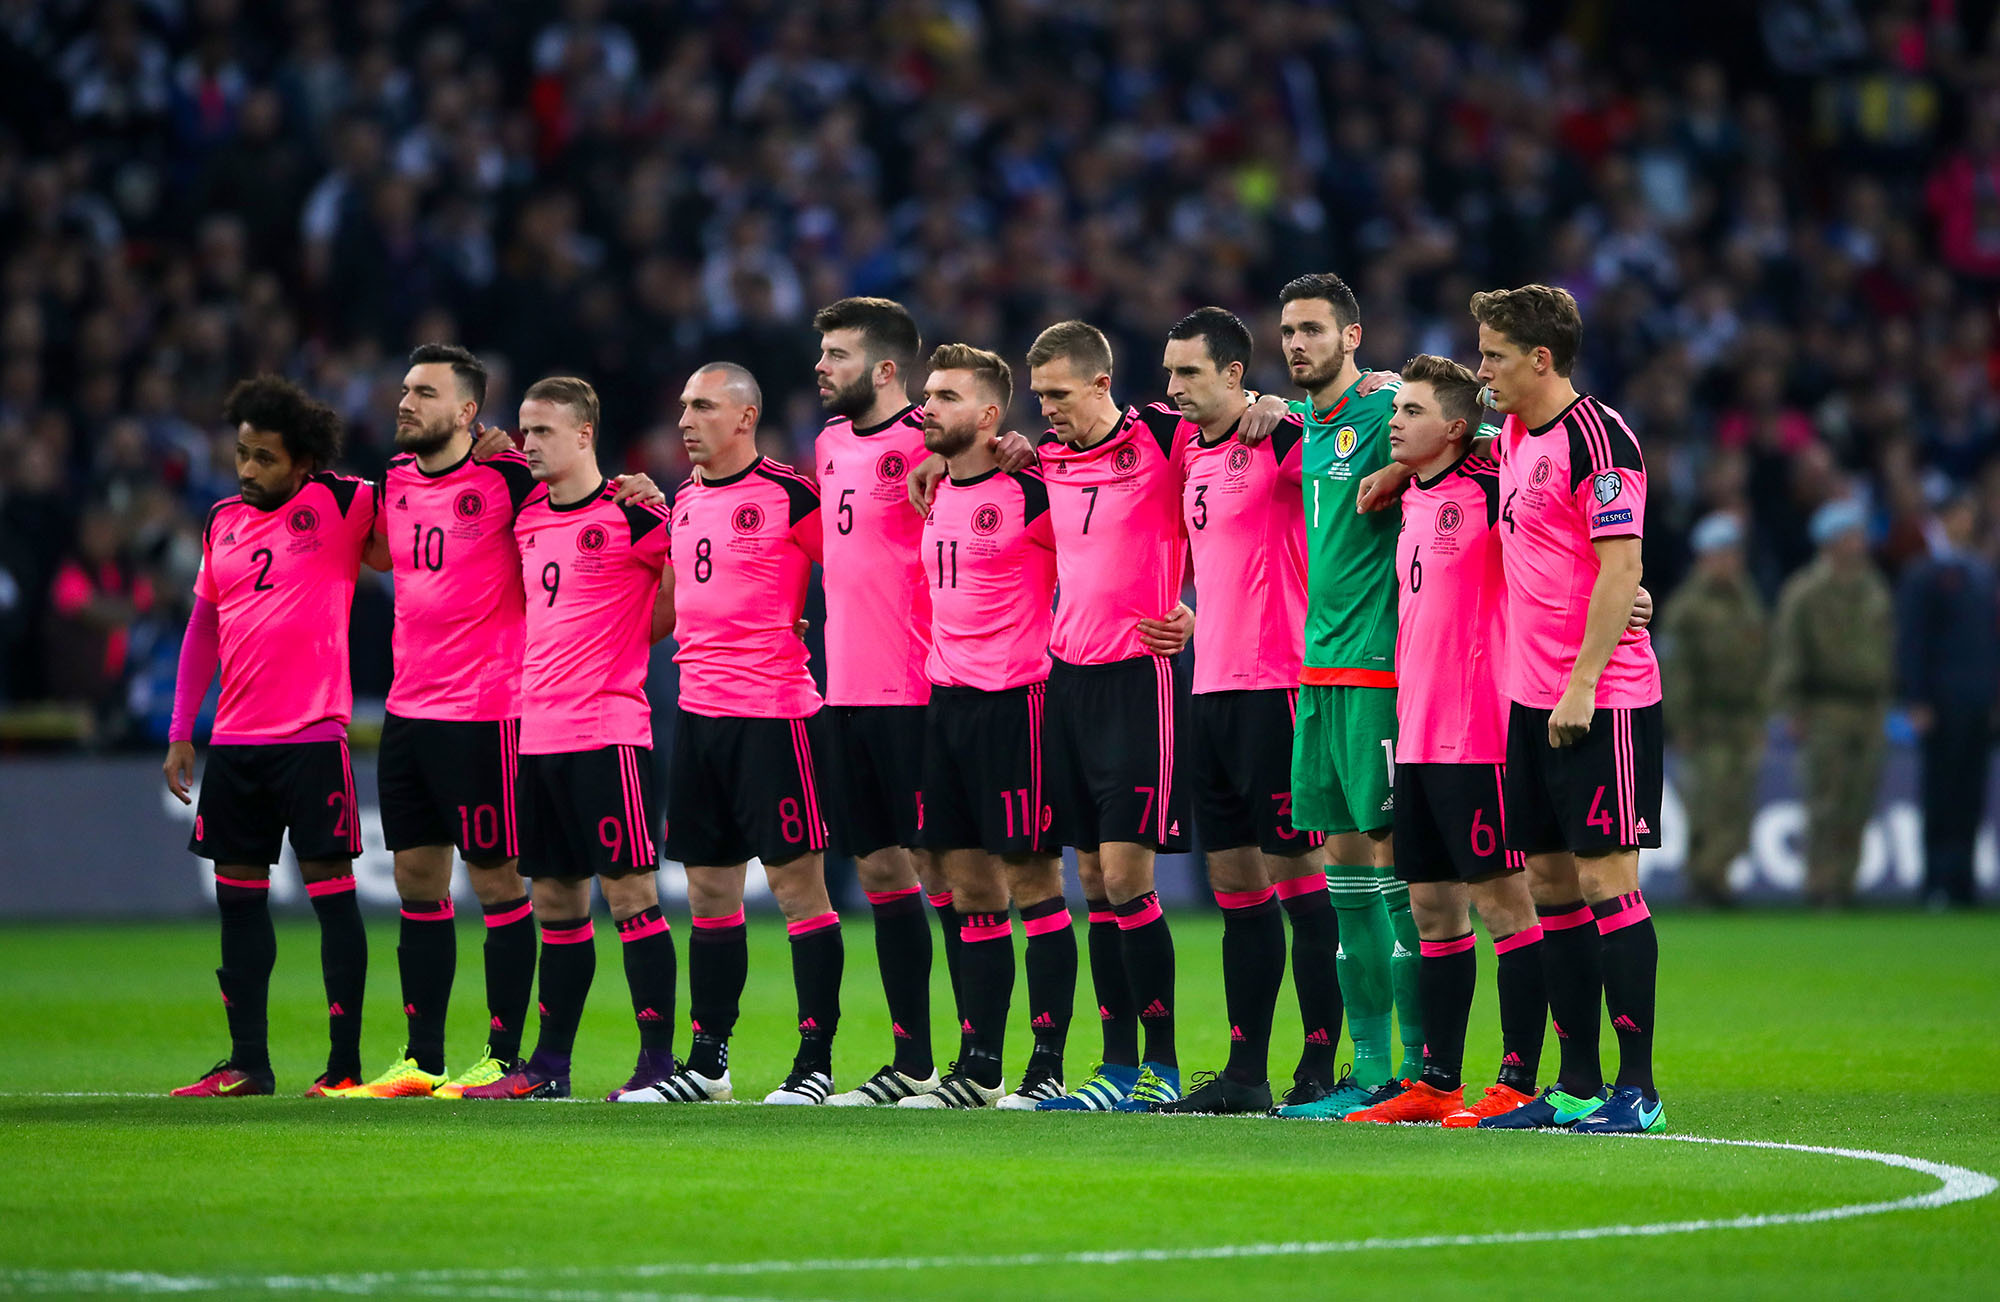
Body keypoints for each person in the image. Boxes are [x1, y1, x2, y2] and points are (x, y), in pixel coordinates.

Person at [341, 344, 665, 1100]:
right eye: (405, 388)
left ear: (465, 411)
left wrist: (643, 497)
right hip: (408, 711)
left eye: (425, 391)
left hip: (495, 712)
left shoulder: (513, 480)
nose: (405, 401)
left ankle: (504, 1052)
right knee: (420, 882)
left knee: (507, 886)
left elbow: (602, 511)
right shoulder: (392, 483)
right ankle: (421, 1059)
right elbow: (381, 556)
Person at [1469, 284, 1667, 1135]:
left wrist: (1582, 684)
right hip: (1525, 695)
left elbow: (1621, 567)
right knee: (1549, 883)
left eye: (1495, 357)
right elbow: (1428, 411)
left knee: (1604, 881)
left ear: (1539, 360)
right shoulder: (1511, 432)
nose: (1483, 372)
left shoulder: (1601, 438)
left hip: (1601, 697)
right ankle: (1579, 1080)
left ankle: (1639, 1090)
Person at [1140, 308, 1347, 1117]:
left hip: (1280, 687)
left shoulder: (1285, 439)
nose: (1172, 387)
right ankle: (1246, 1073)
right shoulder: (1191, 450)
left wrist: (1293, 412)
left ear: (1233, 374)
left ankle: (1322, 1068)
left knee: (1301, 880)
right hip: (1212, 687)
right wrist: (1193, 615)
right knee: (1235, 889)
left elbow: (1360, 465)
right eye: (1168, 372)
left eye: (1188, 373)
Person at [1341, 354, 1551, 1127]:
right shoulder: (1415, 496)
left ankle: (1521, 1078)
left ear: (1458, 428)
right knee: (1431, 906)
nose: (1394, 420)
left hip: (1482, 730)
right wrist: (1402, 474)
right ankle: (1436, 1080)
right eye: (1395, 410)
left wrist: (1630, 591)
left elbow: (1553, 509)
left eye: (1413, 410)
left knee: (1506, 903)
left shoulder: (1494, 485)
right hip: (1418, 731)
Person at [461, 377, 678, 1101]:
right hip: (537, 734)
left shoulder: (636, 516)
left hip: (608, 732)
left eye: (543, 432)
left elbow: (681, 601)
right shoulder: (525, 518)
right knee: (556, 900)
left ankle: (657, 1066)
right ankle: (548, 1069)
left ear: (585, 435)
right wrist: (493, 449)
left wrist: (625, 641)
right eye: (523, 430)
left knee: (631, 895)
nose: (529, 444)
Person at [164, 376, 381, 1098]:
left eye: (263, 459)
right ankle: (247, 1063)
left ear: (303, 463)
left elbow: (421, 507)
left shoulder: (344, 502)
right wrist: (181, 730)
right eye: (242, 455)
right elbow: (203, 629)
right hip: (236, 742)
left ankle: (344, 1067)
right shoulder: (221, 519)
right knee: (239, 898)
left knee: (331, 896)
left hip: (313, 736)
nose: (247, 471)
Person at [1249, 273, 1423, 1118]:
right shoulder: (1307, 425)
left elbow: (1490, 435)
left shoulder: (1391, 414)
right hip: (1314, 677)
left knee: (1404, 883)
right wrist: (1261, 404)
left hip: (1380, 673)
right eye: (1287, 331)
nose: (1296, 344)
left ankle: (1425, 1072)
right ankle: (1368, 1071)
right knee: (1343, 874)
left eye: (1313, 330)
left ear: (1353, 338)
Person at [652, 362, 847, 1106]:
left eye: (701, 406)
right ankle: (708, 1064)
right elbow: (664, 612)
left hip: (776, 717)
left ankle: (816, 1063)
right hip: (699, 718)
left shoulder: (794, 497)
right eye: (682, 406)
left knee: (800, 890)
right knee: (707, 890)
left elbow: (862, 572)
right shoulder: (681, 503)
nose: (684, 420)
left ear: (744, 416)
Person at [1017, 320, 1194, 1113]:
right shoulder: (1045, 458)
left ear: (1100, 382)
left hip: (1139, 679)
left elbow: (1232, 510)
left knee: (1128, 875)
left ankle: (1161, 1064)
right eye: (1039, 394)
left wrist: (1202, 613)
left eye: (1059, 392)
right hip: (1069, 680)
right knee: (1091, 877)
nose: (1046, 408)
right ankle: (1116, 1066)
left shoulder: (1162, 433)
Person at [896, 344, 1073, 1109]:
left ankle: (1049, 1063)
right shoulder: (932, 489)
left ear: (989, 417)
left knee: (1033, 881)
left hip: (1019, 702)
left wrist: (1178, 606)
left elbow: (1114, 551)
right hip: (948, 704)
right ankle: (979, 1067)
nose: (926, 406)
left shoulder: (1036, 492)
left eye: (944, 396)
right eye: (927, 393)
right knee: (967, 886)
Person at [808, 298, 951, 1106]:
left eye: (836, 353)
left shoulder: (936, 437)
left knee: (944, 869)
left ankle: (979, 1065)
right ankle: (913, 1060)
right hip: (847, 690)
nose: (821, 366)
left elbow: (1019, 468)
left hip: (919, 686)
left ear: (886, 368)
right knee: (880, 874)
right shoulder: (829, 445)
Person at [1770, 499, 1893, 909]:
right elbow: (1789, 653)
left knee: (1860, 799)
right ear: (1832, 542)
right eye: (1852, 536)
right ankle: (1820, 884)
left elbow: (1887, 646)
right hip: (1825, 707)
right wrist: (1793, 707)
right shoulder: (1805, 593)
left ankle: (1846, 883)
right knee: (1825, 800)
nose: (1860, 544)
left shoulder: (1872, 587)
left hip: (1869, 708)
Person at [1658, 512, 1768, 909]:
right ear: (1704, 557)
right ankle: (1702, 880)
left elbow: (1760, 660)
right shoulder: (1687, 607)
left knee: (1737, 804)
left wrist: (1760, 714)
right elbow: (1676, 669)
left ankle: (1718, 877)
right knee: (1707, 802)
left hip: (1741, 720)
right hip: (1706, 720)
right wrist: (1682, 722)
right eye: (1722, 553)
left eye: (1734, 553)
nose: (1730, 561)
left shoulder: (1747, 598)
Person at [1896, 492, 1998, 909]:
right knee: (1941, 792)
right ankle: (1936, 880)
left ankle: (1964, 880)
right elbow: (1913, 642)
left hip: (1978, 699)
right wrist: (1917, 698)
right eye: (1958, 515)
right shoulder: (1923, 573)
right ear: (1941, 518)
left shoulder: (1982, 572)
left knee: (1972, 794)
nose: (1965, 523)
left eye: (1970, 516)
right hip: (1940, 701)